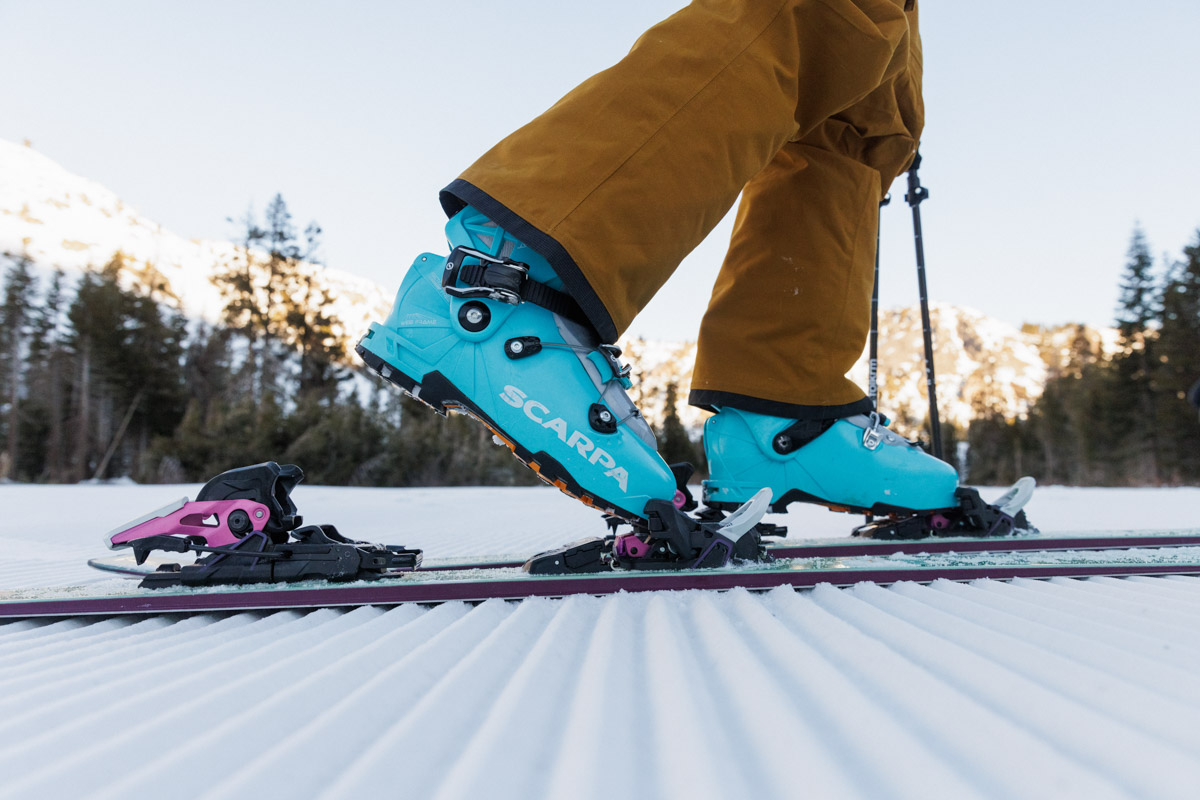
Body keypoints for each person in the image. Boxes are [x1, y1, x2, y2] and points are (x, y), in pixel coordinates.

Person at [358, 0, 955, 556]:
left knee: (864, 102)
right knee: (817, 11)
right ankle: (508, 281)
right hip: (503, 291)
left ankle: (782, 410)